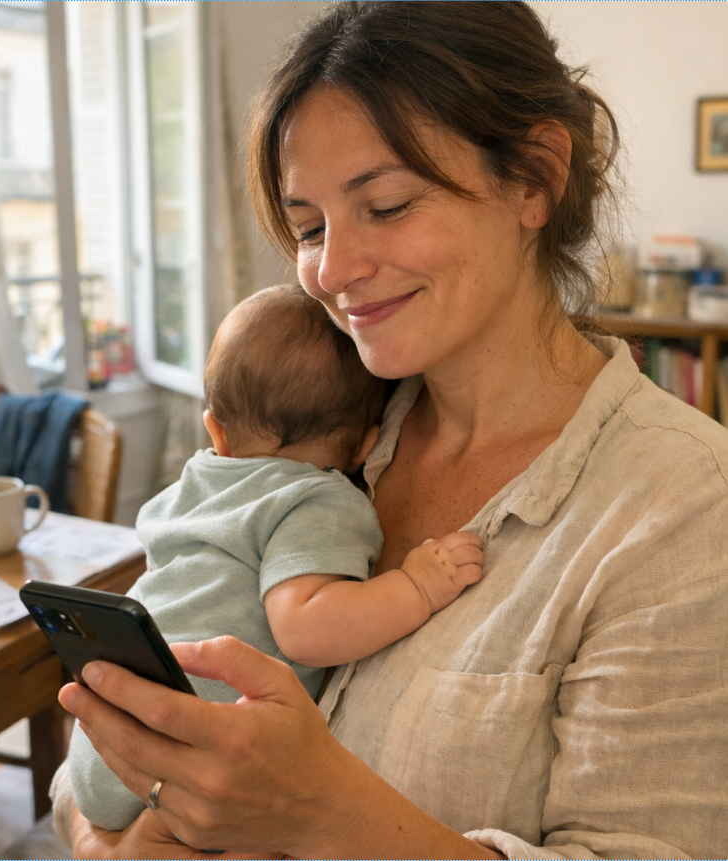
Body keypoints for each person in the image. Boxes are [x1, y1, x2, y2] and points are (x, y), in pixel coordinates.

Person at [53, 1, 728, 857]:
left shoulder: (683, 506)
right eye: (307, 227)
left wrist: (318, 811)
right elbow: (127, 700)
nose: (330, 270)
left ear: (533, 177)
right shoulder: (310, 427)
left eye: (388, 203)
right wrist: (102, 836)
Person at [66, 283, 484, 833]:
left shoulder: (191, 487)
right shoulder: (317, 497)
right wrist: (418, 588)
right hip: (184, 750)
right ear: (367, 445)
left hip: (101, 742)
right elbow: (307, 628)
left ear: (215, 429)